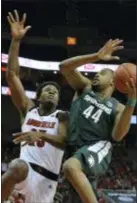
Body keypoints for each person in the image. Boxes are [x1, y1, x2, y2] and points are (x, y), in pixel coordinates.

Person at [12, 25, 136, 203]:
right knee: (74, 194)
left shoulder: (117, 107)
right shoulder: (85, 88)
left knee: (70, 166)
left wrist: (132, 101)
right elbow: (64, 67)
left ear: (113, 82)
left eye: (101, 73)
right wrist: (97, 56)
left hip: (96, 146)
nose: (96, 75)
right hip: (75, 150)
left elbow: (117, 135)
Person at [2, 10, 67, 203]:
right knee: (17, 166)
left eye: (55, 92)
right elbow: (12, 76)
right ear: (37, 97)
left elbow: (64, 141)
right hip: (25, 172)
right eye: (47, 89)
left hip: (47, 181)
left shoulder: (62, 115)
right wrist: (15, 41)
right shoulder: (28, 110)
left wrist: (40, 135)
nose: (52, 92)